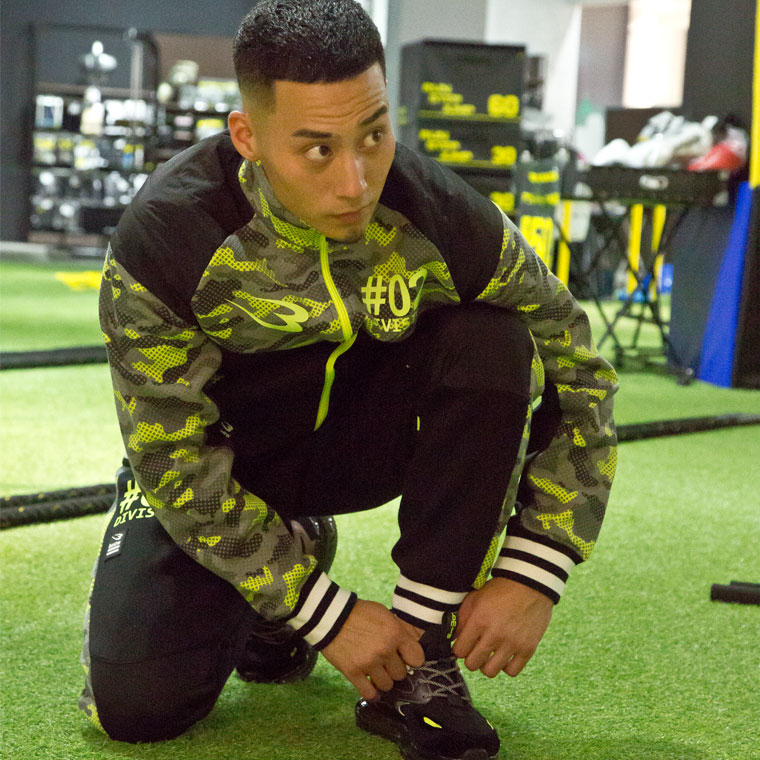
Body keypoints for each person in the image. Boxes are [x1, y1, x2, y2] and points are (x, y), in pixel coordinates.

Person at [78, 2, 618, 759]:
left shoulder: (442, 216)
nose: (355, 181)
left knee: (493, 339)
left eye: (373, 135)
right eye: (317, 150)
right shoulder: (168, 236)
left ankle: (418, 657)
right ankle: (281, 574)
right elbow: (172, 456)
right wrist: (321, 612)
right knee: (137, 706)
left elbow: (580, 368)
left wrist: (539, 563)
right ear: (248, 137)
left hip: (364, 446)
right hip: (225, 466)